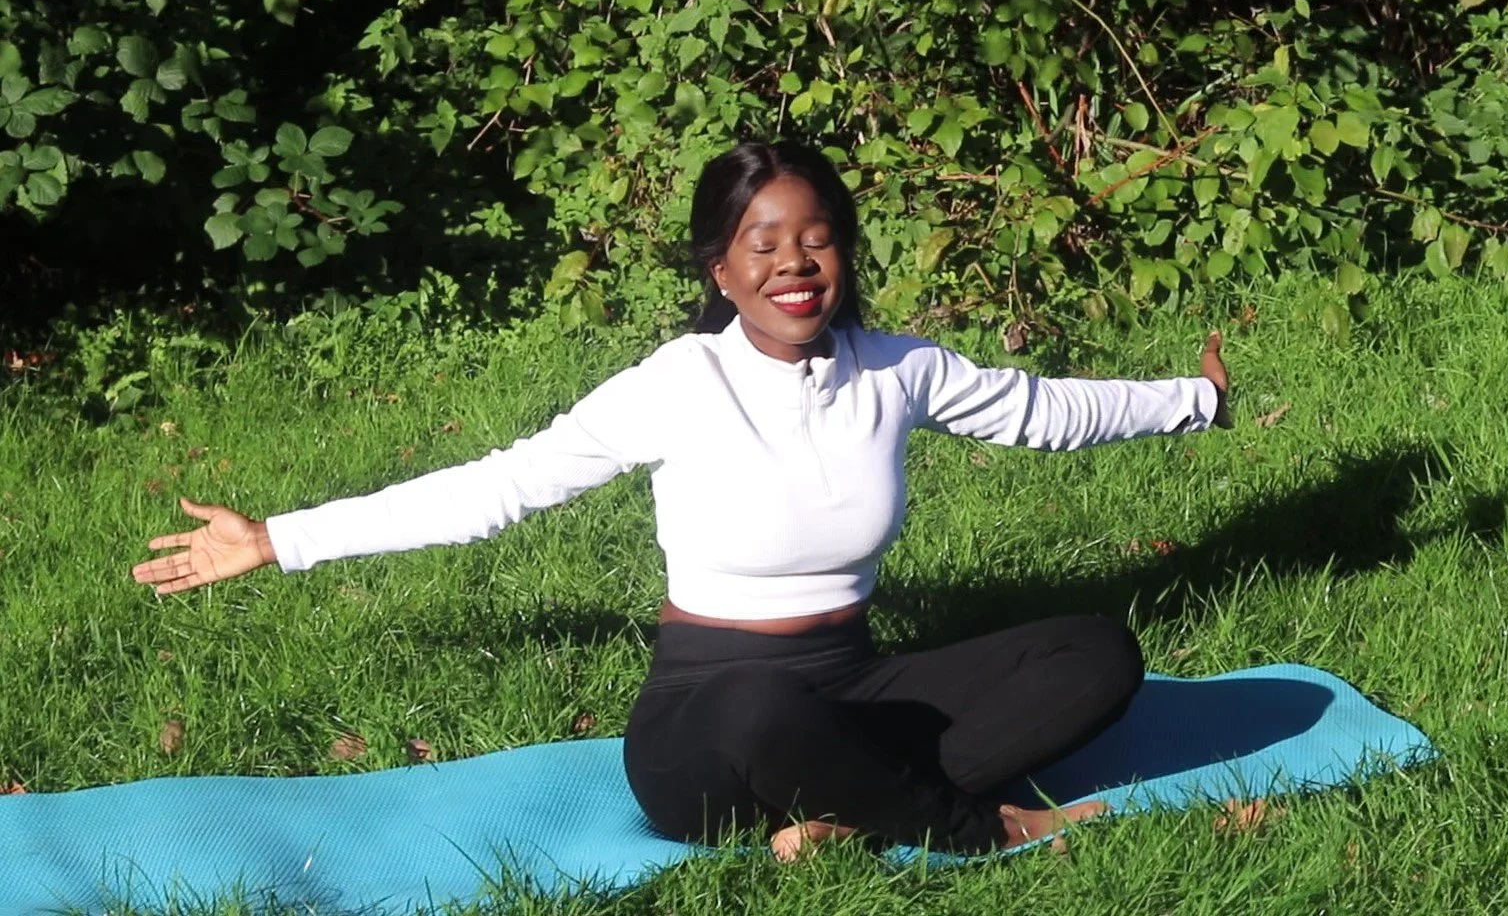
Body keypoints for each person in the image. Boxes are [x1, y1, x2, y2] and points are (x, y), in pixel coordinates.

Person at [134, 140, 1232, 860]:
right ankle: (977, 828)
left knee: (1096, 654)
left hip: (854, 674)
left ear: (845, 253)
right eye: (764, 244)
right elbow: (501, 487)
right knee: (766, 712)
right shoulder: (680, 383)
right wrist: (281, 538)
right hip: (706, 723)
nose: (795, 263)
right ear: (720, 269)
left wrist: (1195, 398)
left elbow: (1043, 410)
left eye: (817, 239)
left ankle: (834, 815)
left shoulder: (900, 370)